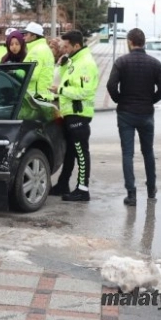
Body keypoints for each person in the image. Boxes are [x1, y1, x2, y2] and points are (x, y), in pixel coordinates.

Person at [106, 28, 161, 206]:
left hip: (125, 113)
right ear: (143, 42)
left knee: (128, 153)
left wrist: (120, 100)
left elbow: (111, 85)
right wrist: (151, 100)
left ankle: (131, 194)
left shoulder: (121, 62)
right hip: (146, 113)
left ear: (130, 42)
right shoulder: (154, 63)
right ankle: (151, 189)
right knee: (148, 152)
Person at [49, 30, 98, 202]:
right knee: (70, 152)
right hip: (69, 114)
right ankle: (63, 184)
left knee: (81, 153)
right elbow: (66, 80)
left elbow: (85, 91)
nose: (65, 49)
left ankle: (83, 189)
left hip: (79, 115)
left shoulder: (85, 63)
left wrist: (60, 90)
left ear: (77, 45)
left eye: (67, 46)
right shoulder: (74, 61)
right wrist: (62, 66)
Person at [21, 22, 55, 100]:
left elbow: (32, 75)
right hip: (44, 95)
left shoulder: (36, 51)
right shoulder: (44, 48)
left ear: (34, 36)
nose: (23, 37)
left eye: (26, 34)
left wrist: (17, 72)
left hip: (36, 97)